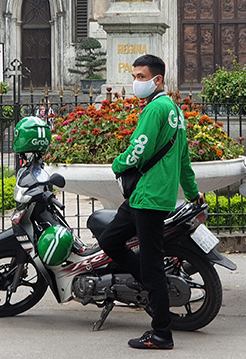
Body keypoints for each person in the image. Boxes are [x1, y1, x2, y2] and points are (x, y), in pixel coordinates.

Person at [98, 54, 204, 350]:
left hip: (148, 198)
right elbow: (184, 160)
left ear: (158, 79)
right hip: (146, 197)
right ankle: (145, 282)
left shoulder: (155, 108)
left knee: (153, 264)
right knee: (110, 240)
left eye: (141, 76)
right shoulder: (174, 111)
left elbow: (138, 150)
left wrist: (117, 164)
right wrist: (193, 193)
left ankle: (161, 333)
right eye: (134, 76)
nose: (136, 82)